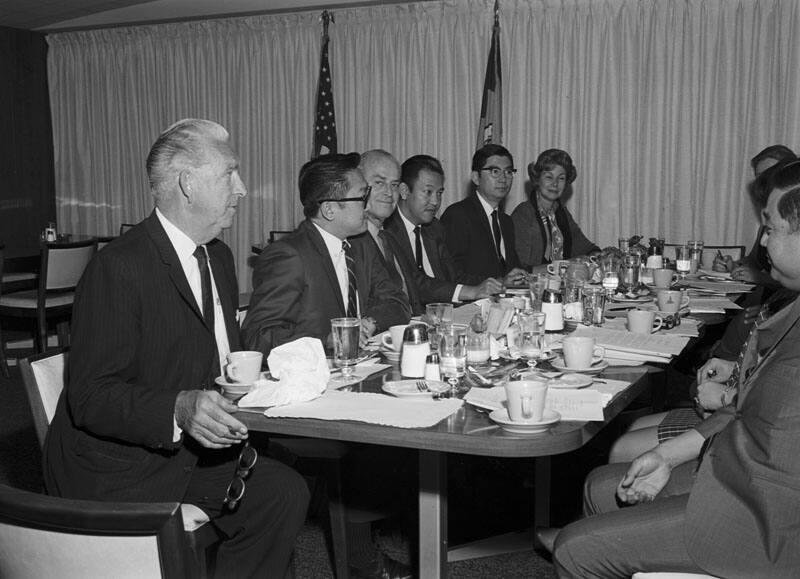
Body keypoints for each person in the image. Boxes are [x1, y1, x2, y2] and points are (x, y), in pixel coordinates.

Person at [42, 119, 310, 577]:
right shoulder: (118, 268)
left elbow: (220, 359)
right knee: (280, 489)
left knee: (286, 490)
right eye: (230, 173)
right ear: (188, 183)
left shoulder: (218, 257)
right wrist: (181, 407)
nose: (242, 188)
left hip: (188, 449)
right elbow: (90, 397)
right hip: (125, 467)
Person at [552, 160, 800, 578]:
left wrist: (694, 460)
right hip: (739, 475)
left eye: (771, 228)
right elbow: (745, 413)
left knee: (573, 549)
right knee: (600, 486)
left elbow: (771, 460)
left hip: (761, 520)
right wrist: (668, 456)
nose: (761, 241)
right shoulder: (791, 309)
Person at [242, 152, 410, 356]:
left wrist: (370, 322)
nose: (368, 205)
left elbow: (397, 302)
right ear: (329, 210)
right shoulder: (288, 255)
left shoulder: (360, 245)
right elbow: (259, 336)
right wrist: (328, 340)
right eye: (362, 197)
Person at [370, 152, 503, 314]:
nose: (435, 202)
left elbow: (455, 276)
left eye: (439, 193)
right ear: (404, 191)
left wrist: (497, 283)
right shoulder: (388, 230)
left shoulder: (435, 228)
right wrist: (471, 291)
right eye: (428, 192)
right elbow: (415, 282)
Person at [440, 144, 527, 284]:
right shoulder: (457, 215)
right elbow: (451, 275)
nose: (503, 179)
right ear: (476, 177)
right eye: (495, 171)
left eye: (508, 172)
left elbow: (511, 270)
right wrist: (500, 282)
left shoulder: (506, 221)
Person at [714, 144, 796, 283]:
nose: (765, 182)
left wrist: (760, 278)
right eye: (760, 177)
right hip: (767, 302)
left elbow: (793, 282)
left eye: (771, 174)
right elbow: (754, 262)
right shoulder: (768, 219)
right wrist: (733, 265)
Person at [511, 148, 599, 271]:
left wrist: (601, 256)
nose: (555, 184)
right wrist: (566, 265)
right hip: (532, 287)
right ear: (537, 179)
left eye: (561, 178)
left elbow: (585, 248)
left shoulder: (561, 212)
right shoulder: (523, 214)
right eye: (549, 177)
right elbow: (521, 269)